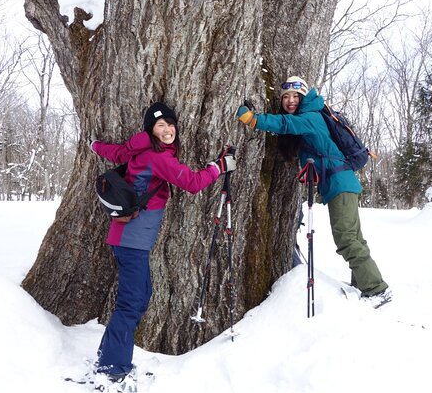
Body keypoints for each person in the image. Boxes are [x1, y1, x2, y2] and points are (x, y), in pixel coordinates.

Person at [89, 102, 236, 392]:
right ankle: (111, 369)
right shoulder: (157, 158)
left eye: (170, 124)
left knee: (141, 296)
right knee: (131, 304)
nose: (167, 129)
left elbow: (114, 152)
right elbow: (192, 183)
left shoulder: (138, 151)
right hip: (132, 241)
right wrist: (218, 167)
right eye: (160, 125)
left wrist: (94, 145)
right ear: (150, 131)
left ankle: (107, 355)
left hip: (128, 240)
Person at [236, 76, 391, 308]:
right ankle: (363, 284)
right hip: (341, 183)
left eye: (295, 96)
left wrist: (253, 120)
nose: (289, 101)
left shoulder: (309, 117)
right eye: (285, 97)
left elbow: (285, 124)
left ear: (303, 97)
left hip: (340, 183)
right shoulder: (313, 113)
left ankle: (376, 289)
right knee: (354, 237)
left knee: (347, 238)